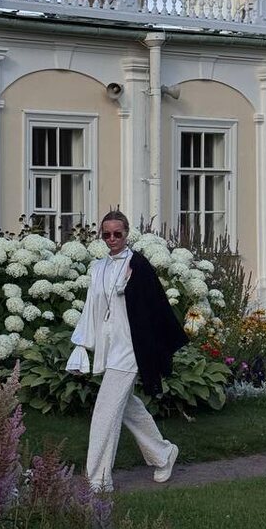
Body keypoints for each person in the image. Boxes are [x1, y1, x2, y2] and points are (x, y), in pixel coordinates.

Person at [66, 210, 188, 492]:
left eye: (117, 234)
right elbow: (91, 307)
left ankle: (98, 479)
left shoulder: (139, 265)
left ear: (126, 234)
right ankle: (163, 453)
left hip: (131, 347)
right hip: (109, 346)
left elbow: (154, 307)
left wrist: (132, 285)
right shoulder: (98, 267)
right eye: (106, 234)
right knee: (127, 406)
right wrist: (81, 345)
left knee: (105, 410)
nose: (112, 239)